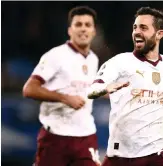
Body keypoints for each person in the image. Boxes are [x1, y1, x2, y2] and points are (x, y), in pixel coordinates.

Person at [87, 7, 163, 166]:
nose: (137, 32)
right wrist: (105, 89)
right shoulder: (120, 62)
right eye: (135, 27)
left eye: (143, 28)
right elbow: (91, 90)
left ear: (159, 34)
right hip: (122, 153)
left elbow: (156, 96)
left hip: (156, 149)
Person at [23, 6, 101, 166]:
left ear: (94, 31)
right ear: (69, 30)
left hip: (86, 136)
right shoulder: (56, 56)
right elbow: (29, 89)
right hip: (56, 137)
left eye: (88, 25)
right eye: (78, 24)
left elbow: (86, 89)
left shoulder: (93, 59)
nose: (83, 29)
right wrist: (64, 98)